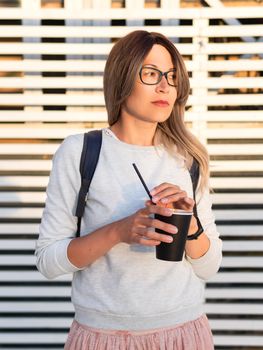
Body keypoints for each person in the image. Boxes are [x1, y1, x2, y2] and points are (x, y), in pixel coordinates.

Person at [35, 30, 222, 350]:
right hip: (102, 337)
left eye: (173, 76)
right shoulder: (80, 152)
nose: (165, 85)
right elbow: (48, 261)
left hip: (183, 334)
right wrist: (119, 231)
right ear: (122, 77)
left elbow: (209, 266)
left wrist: (190, 223)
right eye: (151, 73)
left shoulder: (187, 158)